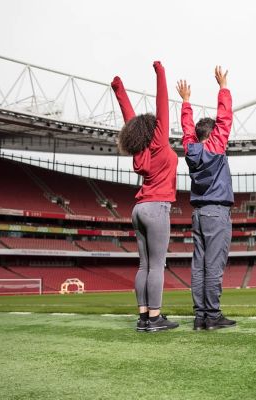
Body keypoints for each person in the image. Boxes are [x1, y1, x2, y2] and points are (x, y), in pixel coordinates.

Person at [111, 61, 178, 332]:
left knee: (144, 265)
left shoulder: (139, 150)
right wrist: (161, 74)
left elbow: (130, 118)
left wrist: (119, 89)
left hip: (138, 209)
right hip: (156, 208)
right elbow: (163, 103)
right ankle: (154, 318)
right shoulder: (160, 140)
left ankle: (142, 317)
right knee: (157, 266)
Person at [176, 66, 236, 330]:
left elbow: (188, 131)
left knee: (199, 265)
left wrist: (186, 102)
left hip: (198, 214)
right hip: (216, 213)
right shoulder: (215, 146)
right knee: (213, 266)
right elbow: (225, 120)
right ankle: (212, 315)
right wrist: (223, 87)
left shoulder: (191, 149)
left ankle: (200, 316)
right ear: (212, 136)